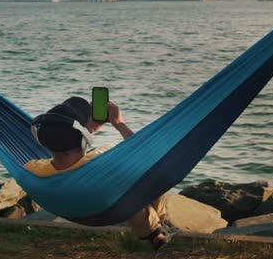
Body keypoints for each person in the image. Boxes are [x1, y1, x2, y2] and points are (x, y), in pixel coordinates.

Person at [25, 96, 178, 250]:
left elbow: (68, 154)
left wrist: (88, 130)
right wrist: (119, 124)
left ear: (42, 140)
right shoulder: (106, 164)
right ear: (84, 139)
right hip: (106, 205)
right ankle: (160, 226)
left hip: (73, 205)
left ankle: (156, 231)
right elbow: (149, 158)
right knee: (150, 173)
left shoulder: (33, 169)